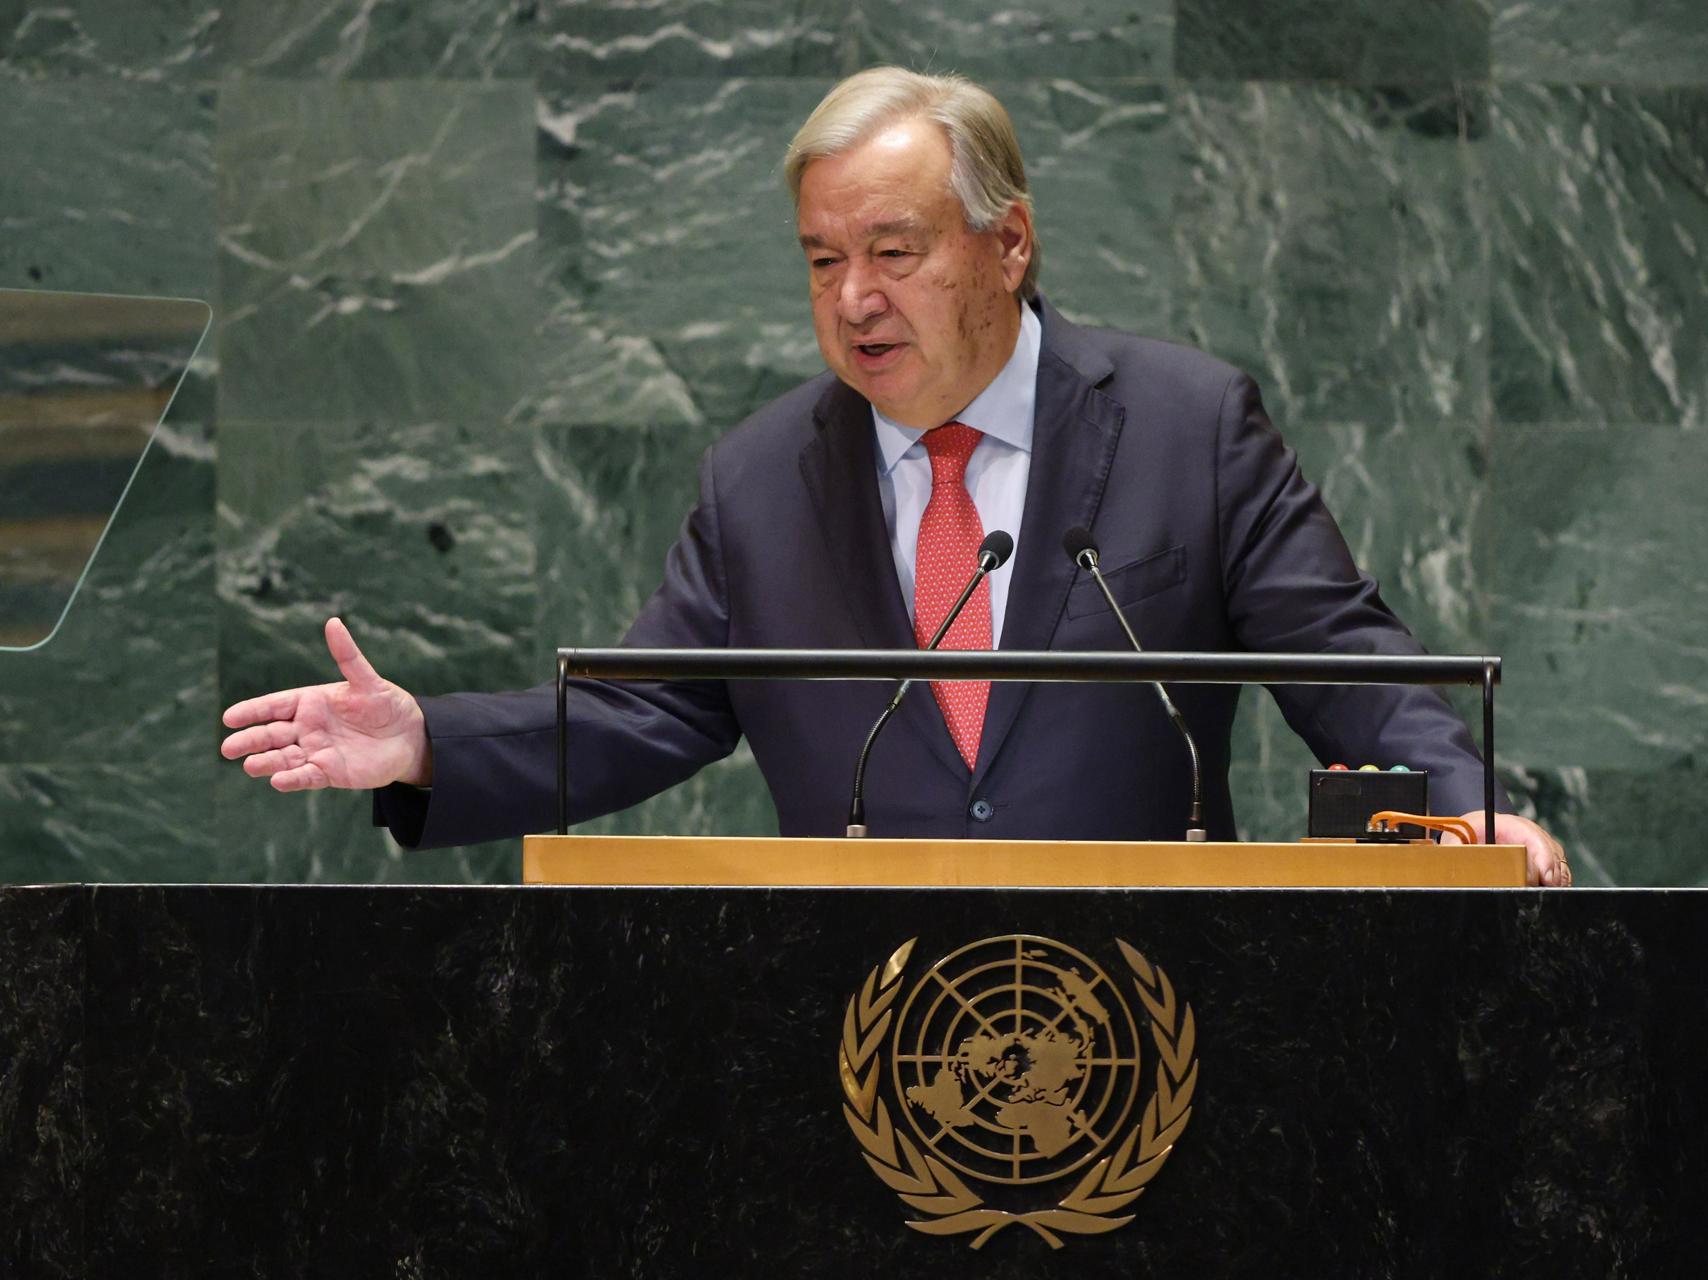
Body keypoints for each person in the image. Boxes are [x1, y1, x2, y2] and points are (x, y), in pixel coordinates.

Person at [220, 67, 1571, 886]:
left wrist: (1465, 813)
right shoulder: (761, 479)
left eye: (895, 249)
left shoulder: (1186, 426)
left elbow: (1346, 660)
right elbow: (645, 715)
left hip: (1164, 1016)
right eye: (821, 259)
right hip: (856, 1033)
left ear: (1010, 243)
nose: (855, 298)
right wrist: (427, 744)